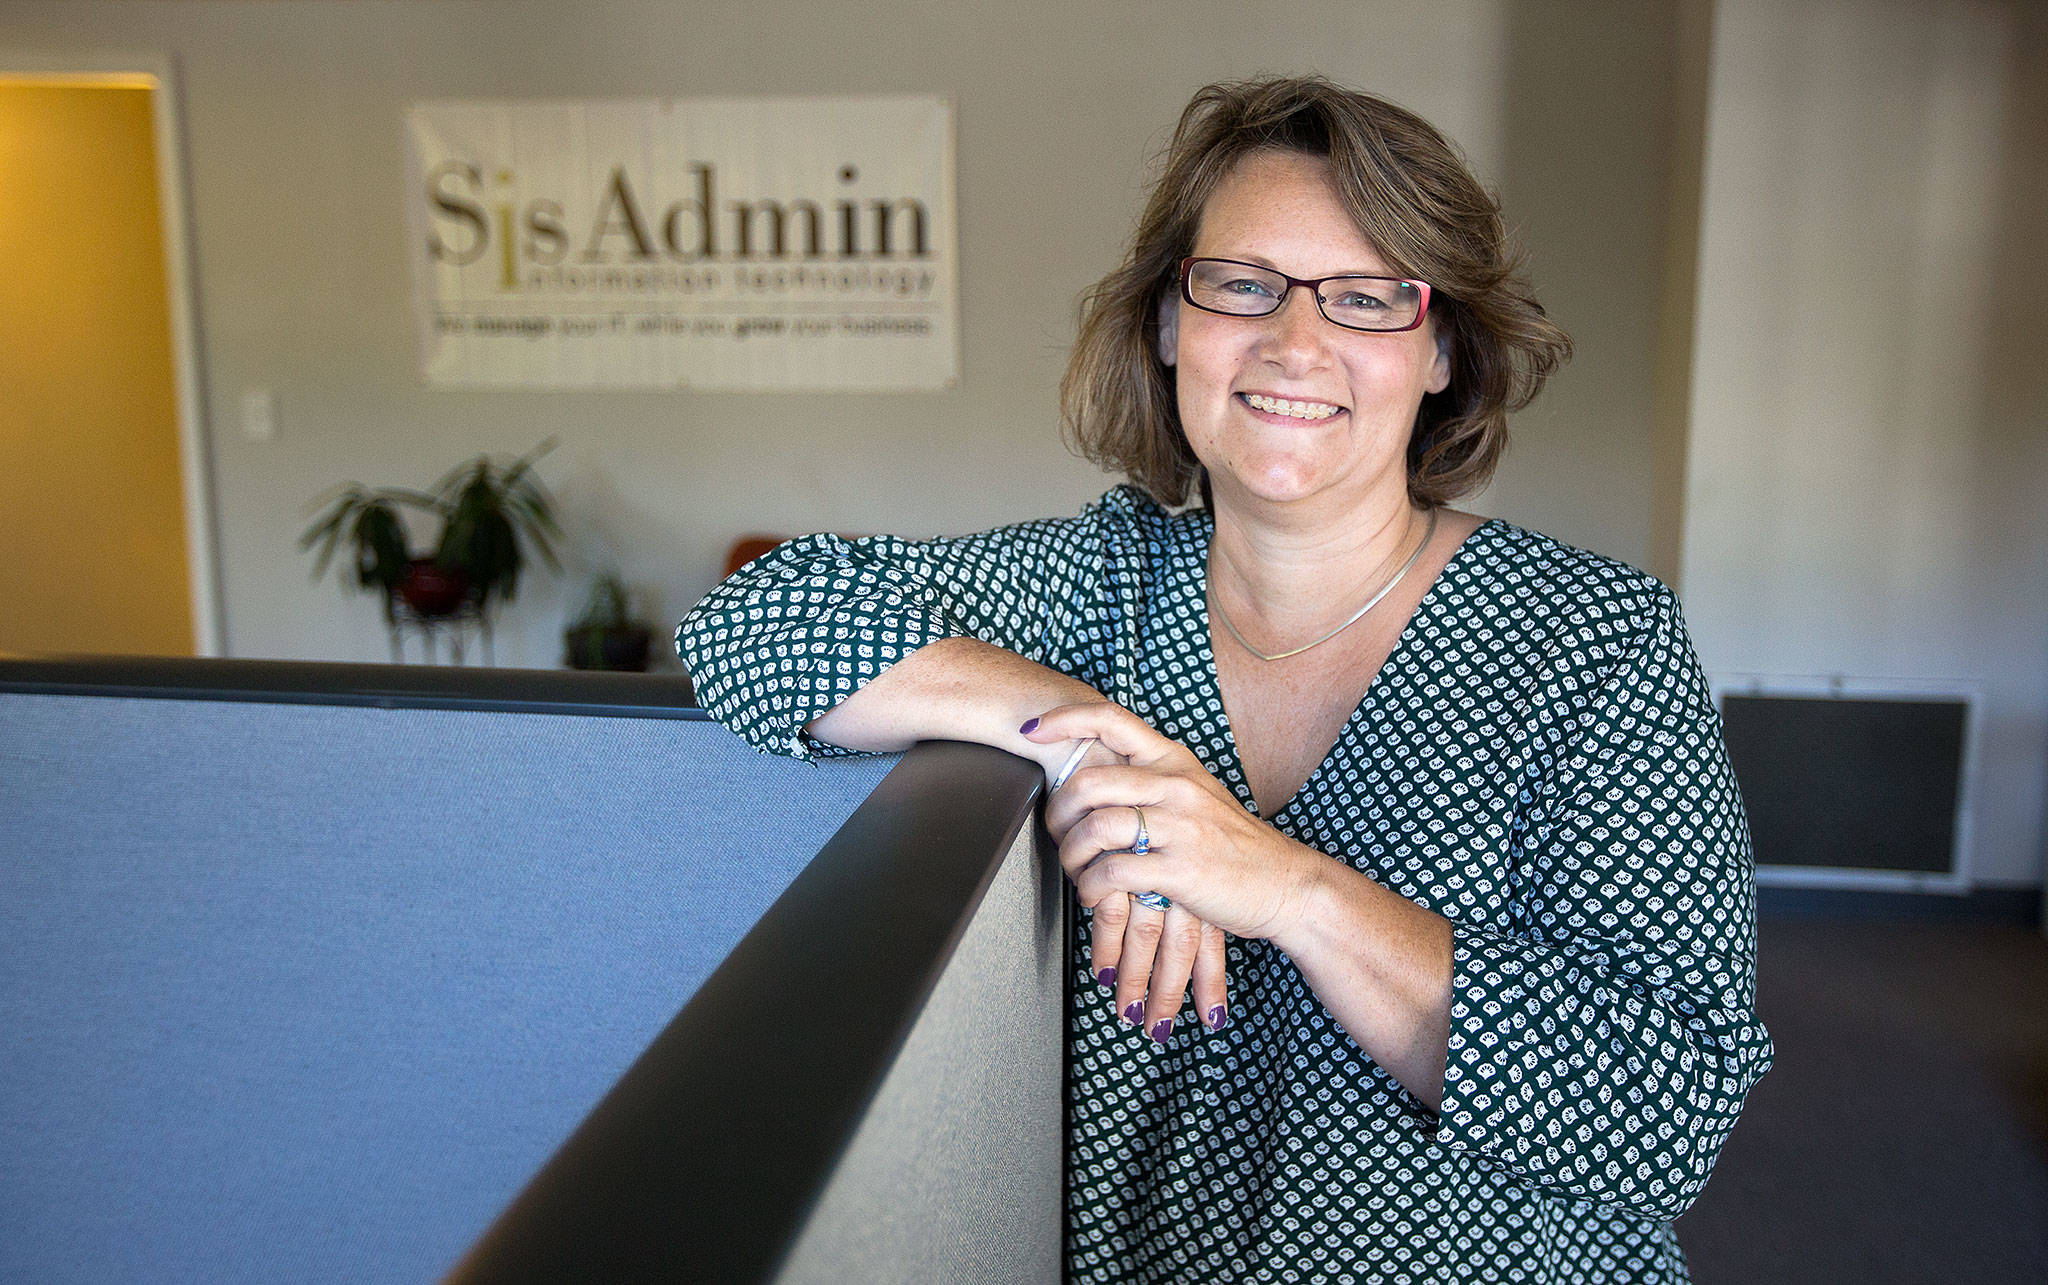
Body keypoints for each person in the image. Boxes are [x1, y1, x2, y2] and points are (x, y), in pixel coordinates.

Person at [677, 76, 1772, 1284]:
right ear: (1165, 324)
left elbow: (1663, 1114)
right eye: (1241, 284)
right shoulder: (1099, 585)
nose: (1293, 343)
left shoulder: (1592, 642)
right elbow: (755, 619)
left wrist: (1287, 890)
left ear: (1441, 347)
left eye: (1364, 298)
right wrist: (1085, 739)